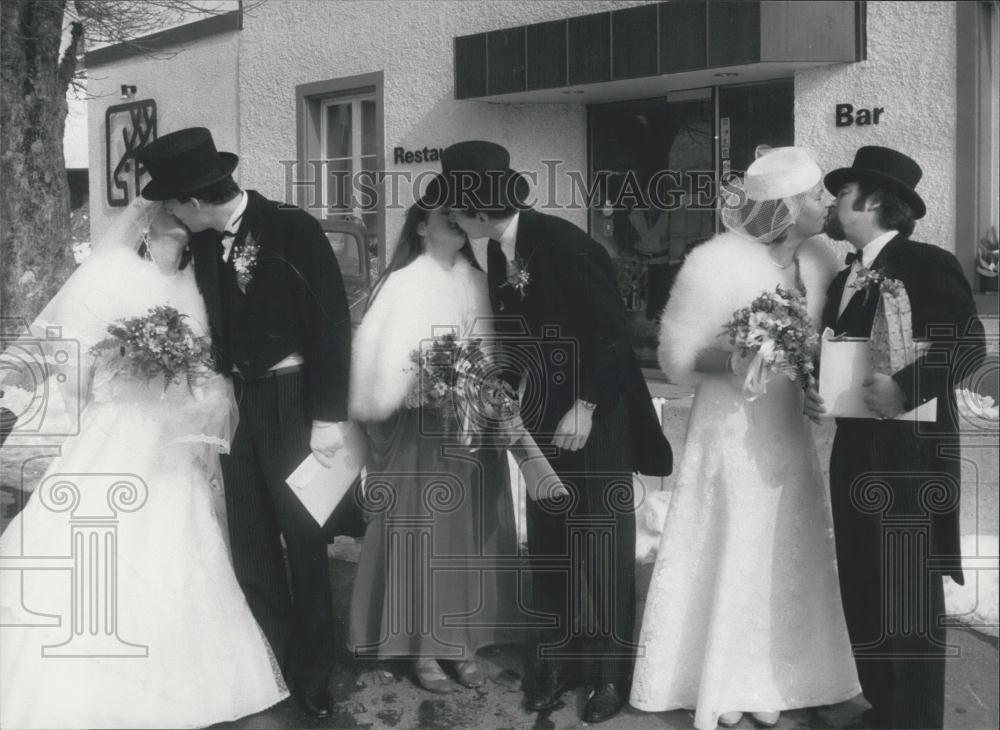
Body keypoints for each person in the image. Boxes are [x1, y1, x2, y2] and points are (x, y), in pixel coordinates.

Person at [0, 200, 288, 729]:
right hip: (116, 427)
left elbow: (209, 358)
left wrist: (194, 384)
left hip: (170, 437)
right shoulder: (111, 272)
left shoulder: (196, 282)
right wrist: (124, 370)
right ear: (146, 218)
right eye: (165, 209)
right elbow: (76, 360)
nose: (175, 220)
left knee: (178, 541)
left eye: (183, 211)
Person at [630, 147, 861, 730]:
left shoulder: (822, 261)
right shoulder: (716, 262)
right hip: (731, 427)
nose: (825, 203)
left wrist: (818, 381)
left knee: (783, 543)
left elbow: (824, 345)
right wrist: (744, 355)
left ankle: (778, 673)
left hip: (786, 428)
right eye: (814, 195)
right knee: (734, 540)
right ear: (784, 205)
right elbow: (677, 355)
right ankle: (722, 677)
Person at [442, 140, 673, 724]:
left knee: (599, 544)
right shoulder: (497, 251)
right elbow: (520, 334)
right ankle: (556, 659)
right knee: (550, 542)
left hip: (593, 419)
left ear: (475, 209)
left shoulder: (567, 244)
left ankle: (606, 676)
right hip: (541, 417)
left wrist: (587, 404)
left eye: (455, 208)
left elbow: (611, 333)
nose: (451, 220)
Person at [136, 127, 353, 718]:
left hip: (292, 398)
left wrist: (328, 416)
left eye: (174, 204)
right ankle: (269, 665)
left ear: (197, 200)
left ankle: (313, 674)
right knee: (253, 540)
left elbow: (332, 325)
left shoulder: (292, 228)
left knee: (304, 540)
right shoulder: (202, 240)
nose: (171, 214)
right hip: (235, 401)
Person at [807, 145, 986, 729]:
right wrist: (818, 391)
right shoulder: (844, 277)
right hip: (856, 452)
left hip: (910, 456)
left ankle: (912, 719)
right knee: (863, 582)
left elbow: (968, 347)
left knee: (906, 593)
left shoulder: (927, 262)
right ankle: (882, 708)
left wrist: (907, 388)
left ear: (875, 201)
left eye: (844, 193)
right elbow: (841, 358)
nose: (834, 203)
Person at [347, 178, 524, 693]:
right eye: (442, 213)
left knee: (467, 540)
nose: (453, 219)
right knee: (424, 538)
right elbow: (376, 363)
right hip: (423, 431)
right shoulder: (402, 283)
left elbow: (491, 348)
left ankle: (461, 642)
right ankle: (420, 648)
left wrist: (481, 383)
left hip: (471, 427)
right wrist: (420, 383)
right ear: (421, 225)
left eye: (459, 214)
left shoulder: (477, 279)